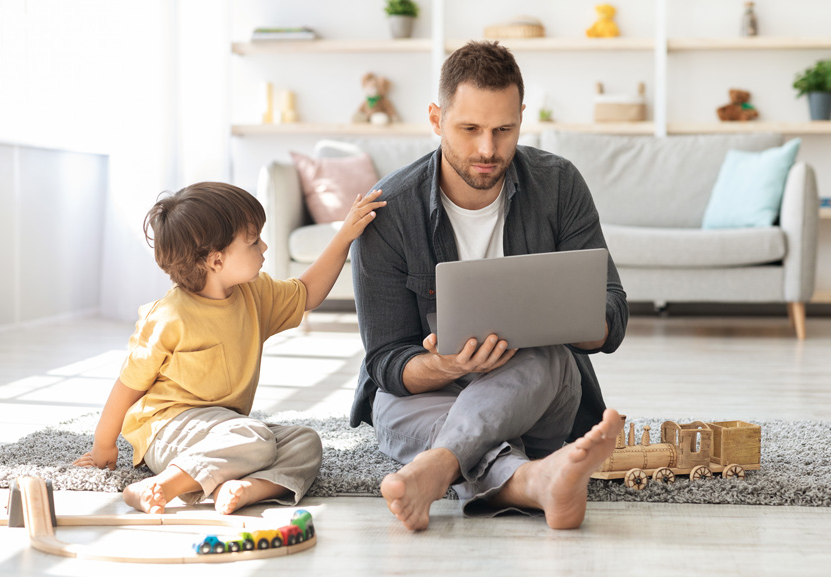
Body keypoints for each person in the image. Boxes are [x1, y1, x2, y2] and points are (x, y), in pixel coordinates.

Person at [350, 41, 629, 531]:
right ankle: (533, 481)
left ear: (522, 116)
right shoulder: (389, 212)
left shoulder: (559, 184)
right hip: (432, 393)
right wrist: (444, 364)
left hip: (535, 389)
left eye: (504, 130)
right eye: (470, 129)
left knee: (548, 356)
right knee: (389, 403)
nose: (488, 149)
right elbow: (387, 360)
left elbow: (613, 314)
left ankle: (437, 466)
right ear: (436, 119)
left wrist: (571, 320)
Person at [74, 182, 385, 515]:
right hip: (167, 430)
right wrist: (104, 446)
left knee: (305, 441)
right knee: (252, 437)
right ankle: (162, 486)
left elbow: (307, 292)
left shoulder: (255, 293)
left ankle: (243, 489)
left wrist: (345, 236)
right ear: (215, 260)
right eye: (253, 241)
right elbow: (127, 387)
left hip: (226, 430)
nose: (264, 247)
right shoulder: (168, 317)